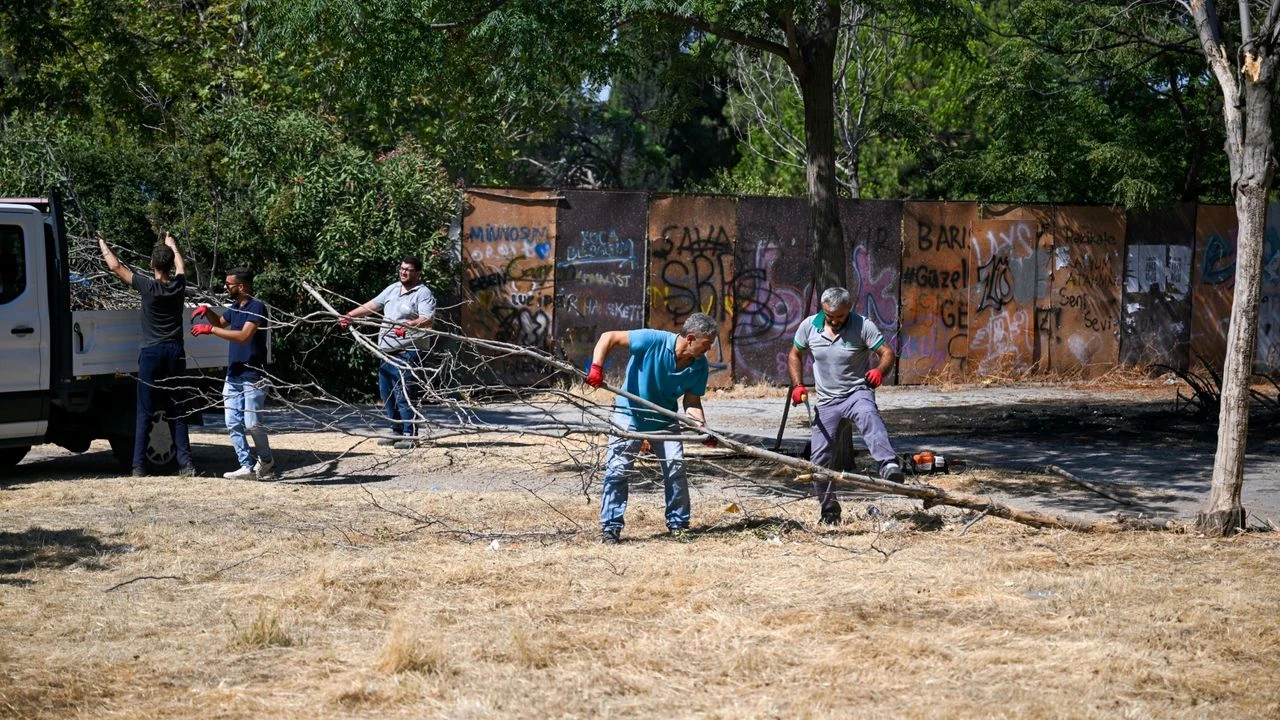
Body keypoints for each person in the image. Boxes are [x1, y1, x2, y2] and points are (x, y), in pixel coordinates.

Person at [586, 312, 719, 544]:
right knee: (617, 471)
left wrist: (701, 427)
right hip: (628, 417)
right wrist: (597, 367)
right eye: (706, 345)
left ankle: (678, 524)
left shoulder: (699, 366)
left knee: (676, 470)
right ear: (690, 338)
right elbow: (609, 337)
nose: (708, 351)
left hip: (665, 422)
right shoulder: (652, 340)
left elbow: (691, 401)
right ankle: (610, 528)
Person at [788, 287, 904, 525]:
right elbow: (794, 355)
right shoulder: (809, 326)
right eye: (830, 315)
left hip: (855, 392)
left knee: (869, 414)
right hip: (826, 401)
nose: (834, 320)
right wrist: (798, 385)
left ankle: (888, 464)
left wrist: (879, 371)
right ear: (822, 308)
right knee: (818, 460)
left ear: (848, 309)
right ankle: (829, 510)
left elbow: (887, 353)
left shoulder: (863, 326)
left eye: (839, 316)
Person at [98, 231, 197, 477]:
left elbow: (115, 266)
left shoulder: (147, 286)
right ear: (169, 265)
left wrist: (102, 242)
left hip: (151, 353)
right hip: (175, 352)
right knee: (178, 409)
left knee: (145, 411)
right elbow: (182, 266)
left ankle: (138, 466)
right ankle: (186, 464)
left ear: (152, 264)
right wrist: (172, 245)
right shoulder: (178, 285)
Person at [340, 255, 436, 449]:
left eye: (408, 270)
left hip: (408, 351)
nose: (403, 272)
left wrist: (410, 325)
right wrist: (349, 315)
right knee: (388, 393)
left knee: (404, 393)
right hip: (387, 352)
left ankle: (410, 435)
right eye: (402, 268)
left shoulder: (423, 293)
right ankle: (396, 431)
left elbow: (428, 319)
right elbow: (372, 305)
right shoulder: (392, 288)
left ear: (418, 273)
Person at [190, 267, 275, 480]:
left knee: (252, 424)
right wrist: (207, 311)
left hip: (253, 375)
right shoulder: (235, 307)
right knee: (232, 422)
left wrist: (210, 331)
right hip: (234, 373)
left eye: (229, 284)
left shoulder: (257, 307)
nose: (225, 287)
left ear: (242, 286)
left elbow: (244, 336)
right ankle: (246, 466)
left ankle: (266, 460)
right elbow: (220, 322)